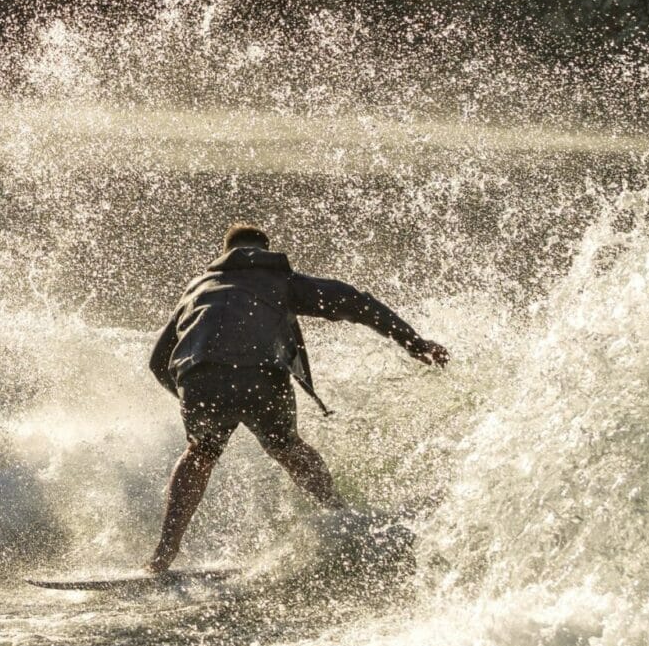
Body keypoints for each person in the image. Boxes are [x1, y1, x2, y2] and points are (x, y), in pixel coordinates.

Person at [145, 224, 449, 574]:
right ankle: (339, 516)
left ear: (224, 252)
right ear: (266, 250)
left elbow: (158, 362)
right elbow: (357, 303)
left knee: (199, 453)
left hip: (200, 378)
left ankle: (163, 554)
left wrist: (191, 393)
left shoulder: (197, 289)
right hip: (260, 374)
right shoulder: (282, 281)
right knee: (288, 448)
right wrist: (415, 343)